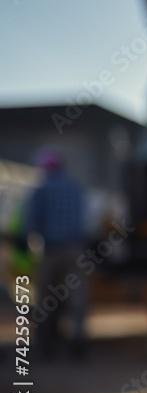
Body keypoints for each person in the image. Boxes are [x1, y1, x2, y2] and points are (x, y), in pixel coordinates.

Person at [24, 147, 89, 361]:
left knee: (46, 299)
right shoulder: (75, 188)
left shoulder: (41, 189)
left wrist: (25, 239)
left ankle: (47, 345)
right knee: (76, 300)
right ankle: (77, 342)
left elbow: (31, 221)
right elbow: (84, 219)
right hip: (75, 250)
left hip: (51, 251)